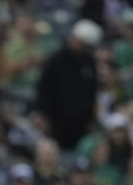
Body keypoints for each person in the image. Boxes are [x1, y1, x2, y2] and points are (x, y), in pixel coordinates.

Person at [36, 20, 101, 149]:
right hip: (57, 119)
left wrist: (91, 118)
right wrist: (43, 114)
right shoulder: (56, 61)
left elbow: (92, 91)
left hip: (81, 122)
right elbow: (43, 88)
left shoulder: (90, 62)